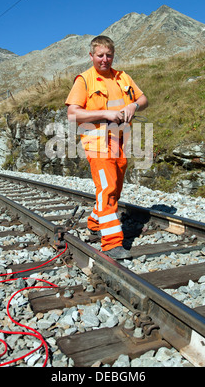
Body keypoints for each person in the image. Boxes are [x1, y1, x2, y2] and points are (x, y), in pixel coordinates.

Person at [65, 36, 148, 259]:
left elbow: (144, 99)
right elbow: (73, 114)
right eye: (100, 55)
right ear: (91, 56)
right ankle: (111, 243)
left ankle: (94, 222)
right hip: (96, 142)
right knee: (108, 188)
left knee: (114, 189)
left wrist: (133, 105)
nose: (105, 59)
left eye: (108, 55)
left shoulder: (123, 77)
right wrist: (105, 114)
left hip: (120, 141)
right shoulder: (84, 80)